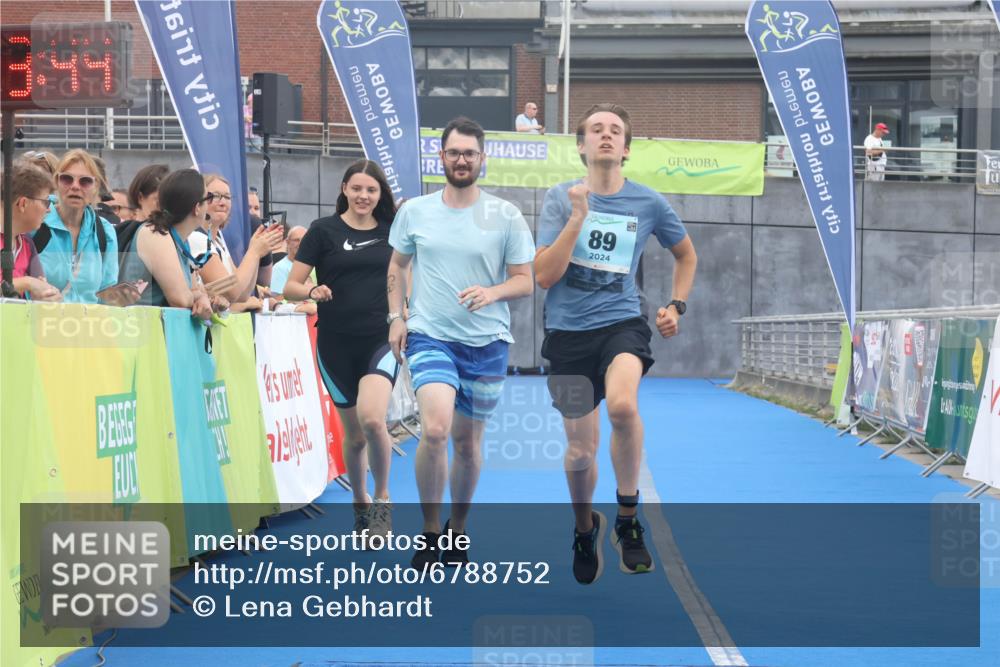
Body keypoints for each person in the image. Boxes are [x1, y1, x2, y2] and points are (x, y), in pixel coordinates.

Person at [534, 103, 698, 585]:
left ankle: (627, 518)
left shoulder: (648, 203)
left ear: (626, 148)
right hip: (566, 334)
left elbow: (686, 256)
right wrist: (577, 218)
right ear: (581, 145)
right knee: (580, 451)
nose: (605, 136)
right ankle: (585, 528)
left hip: (622, 322)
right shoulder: (559, 199)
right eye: (596, 130)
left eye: (615, 131)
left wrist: (676, 305)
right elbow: (544, 276)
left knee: (624, 407)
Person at [387, 117, 535, 569]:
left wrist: (492, 293)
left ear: (482, 159)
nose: (462, 160)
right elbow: (397, 266)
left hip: (487, 342)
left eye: (470, 153)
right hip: (431, 335)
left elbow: (525, 281)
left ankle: (458, 528)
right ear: (441, 157)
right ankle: (430, 532)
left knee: (468, 444)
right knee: (434, 428)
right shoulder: (415, 211)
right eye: (454, 152)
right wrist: (397, 317)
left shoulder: (505, 215)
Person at [284, 160, 400, 538]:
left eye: (371, 190)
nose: (363, 196)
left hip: (380, 340)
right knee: (354, 435)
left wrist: (403, 316)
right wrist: (312, 290)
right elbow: (291, 287)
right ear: (344, 189)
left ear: (380, 194)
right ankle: (360, 502)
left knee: (372, 419)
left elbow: (404, 280)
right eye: (357, 188)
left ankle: (383, 501)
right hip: (334, 343)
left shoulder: (393, 232)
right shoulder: (322, 231)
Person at [34, 149, 135, 305]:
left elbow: (106, 293)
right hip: (40, 324)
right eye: (67, 179)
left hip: (87, 327)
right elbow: (15, 280)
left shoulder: (105, 231)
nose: (75, 186)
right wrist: (31, 296)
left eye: (85, 181)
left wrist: (122, 297)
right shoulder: (37, 222)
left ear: (96, 187)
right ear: (56, 182)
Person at [118, 169, 219, 318]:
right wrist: (199, 296)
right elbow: (180, 299)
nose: (209, 204)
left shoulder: (181, 241)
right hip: (136, 332)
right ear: (197, 208)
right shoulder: (155, 234)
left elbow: (192, 291)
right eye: (208, 197)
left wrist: (202, 297)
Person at [191, 173, 283, 312]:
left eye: (227, 197)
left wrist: (256, 251)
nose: (222, 202)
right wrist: (254, 252)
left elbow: (243, 293)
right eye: (215, 196)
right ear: (200, 201)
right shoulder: (197, 237)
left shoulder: (218, 240)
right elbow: (232, 291)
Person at [0, 162, 60, 301]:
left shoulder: (27, 244)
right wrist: (27, 283)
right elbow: (31, 283)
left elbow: (41, 290)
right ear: (23, 204)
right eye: (45, 202)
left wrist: (48, 295)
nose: (49, 209)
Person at [270, 225, 307, 294]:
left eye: (304, 240)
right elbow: (277, 298)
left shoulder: (315, 266)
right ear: (287, 242)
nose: (301, 244)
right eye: (296, 240)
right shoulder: (279, 268)